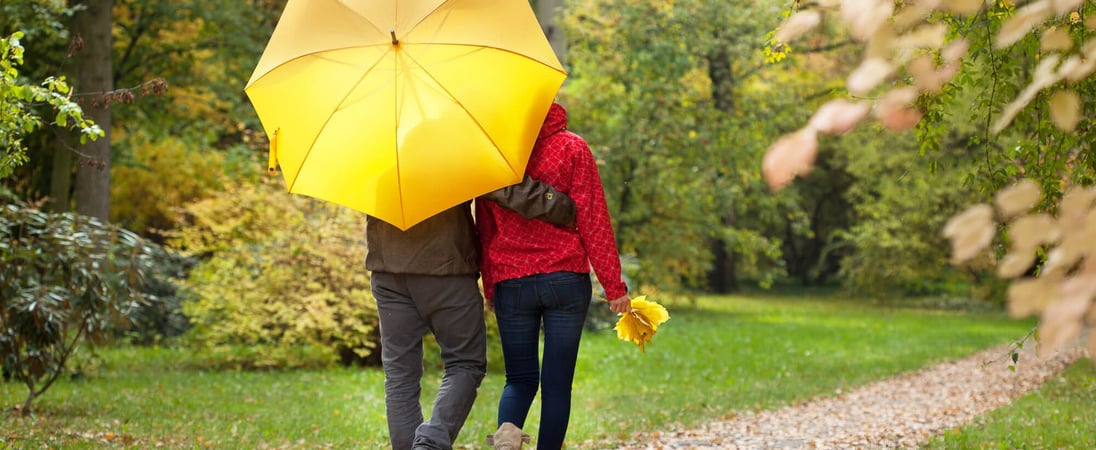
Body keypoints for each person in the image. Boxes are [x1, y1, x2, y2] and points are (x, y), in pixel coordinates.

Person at [367, 177, 576, 450]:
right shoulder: (451, 146)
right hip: (445, 269)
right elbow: (502, 187)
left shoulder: (377, 151)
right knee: (465, 363)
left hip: (386, 271)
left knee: (399, 376)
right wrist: (561, 206)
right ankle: (431, 442)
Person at [476, 102, 632, 450]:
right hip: (565, 279)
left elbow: (484, 229)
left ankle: (507, 436)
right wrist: (614, 286)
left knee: (518, 379)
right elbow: (593, 218)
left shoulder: (495, 161)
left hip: (511, 280)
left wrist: (491, 286)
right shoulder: (572, 147)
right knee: (557, 383)